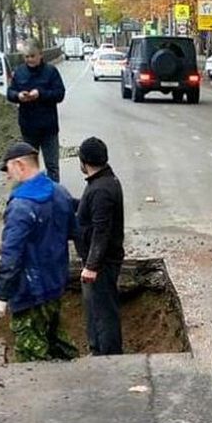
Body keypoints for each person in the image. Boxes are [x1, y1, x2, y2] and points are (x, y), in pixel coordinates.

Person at [0, 141, 79, 362]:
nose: (8, 176)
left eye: (8, 169)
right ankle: (76, 383)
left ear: (19, 164)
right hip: (55, 284)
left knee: (31, 360)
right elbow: (73, 232)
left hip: (29, 292)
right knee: (56, 340)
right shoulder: (60, 192)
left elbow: (11, 256)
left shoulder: (21, 206)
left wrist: (1, 296)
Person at [74, 137, 125, 356]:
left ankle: (110, 356)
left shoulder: (101, 190)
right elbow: (91, 213)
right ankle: (97, 350)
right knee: (95, 309)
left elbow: (101, 231)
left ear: (84, 161)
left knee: (104, 312)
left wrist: (92, 266)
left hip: (102, 264)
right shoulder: (101, 183)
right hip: (96, 262)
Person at [7, 40, 66, 182]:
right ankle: (32, 195)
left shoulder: (51, 72)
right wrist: (18, 96)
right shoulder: (19, 72)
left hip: (48, 128)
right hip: (28, 127)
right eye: (27, 57)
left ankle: (52, 195)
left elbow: (60, 94)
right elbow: (10, 93)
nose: (30, 60)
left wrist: (41, 94)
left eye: (32, 56)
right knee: (29, 167)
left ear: (40, 55)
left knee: (52, 166)